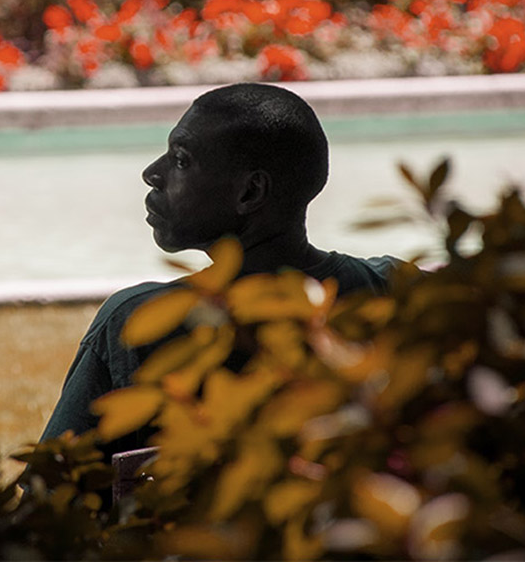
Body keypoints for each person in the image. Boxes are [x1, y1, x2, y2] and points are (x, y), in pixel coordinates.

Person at [40, 82, 399, 456]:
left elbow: (54, 491)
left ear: (250, 192)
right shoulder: (388, 291)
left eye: (181, 160)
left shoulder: (137, 325)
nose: (152, 173)